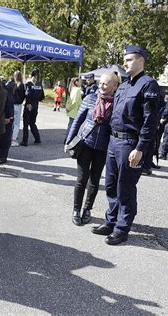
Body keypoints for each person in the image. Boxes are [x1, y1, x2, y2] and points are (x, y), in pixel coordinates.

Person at [91, 45, 159, 245]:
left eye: (129, 59)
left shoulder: (148, 85)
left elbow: (150, 122)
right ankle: (111, 222)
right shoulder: (124, 85)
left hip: (130, 143)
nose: (125, 63)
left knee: (125, 187)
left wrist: (141, 148)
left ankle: (122, 228)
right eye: (125, 59)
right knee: (111, 185)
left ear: (141, 60)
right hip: (114, 140)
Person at [66, 72, 119, 226]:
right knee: (81, 179)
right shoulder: (90, 99)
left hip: (103, 147)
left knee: (94, 181)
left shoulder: (117, 104)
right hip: (86, 144)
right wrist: (69, 140)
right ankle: (76, 210)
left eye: (105, 83)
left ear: (114, 86)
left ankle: (87, 209)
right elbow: (77, 121)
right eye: (100, 83)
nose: (101, 86)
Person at [20, 69, 44, 146]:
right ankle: (37, 139)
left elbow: (27, 94)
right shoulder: (40, 84)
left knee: (26, 124)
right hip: (36, 105)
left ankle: (25, 141)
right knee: (32, 123)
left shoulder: (29, 83)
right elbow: (42, 96)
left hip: (29, 105)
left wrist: (28, 103)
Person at [10, 70, 25, 147]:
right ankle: (14, 139)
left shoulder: (12, 84)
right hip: (18, 105)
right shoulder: (21, 85)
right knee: (16, 123)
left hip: (12, 104)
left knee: (12, 122)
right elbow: (23, 96)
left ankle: (11, 137)